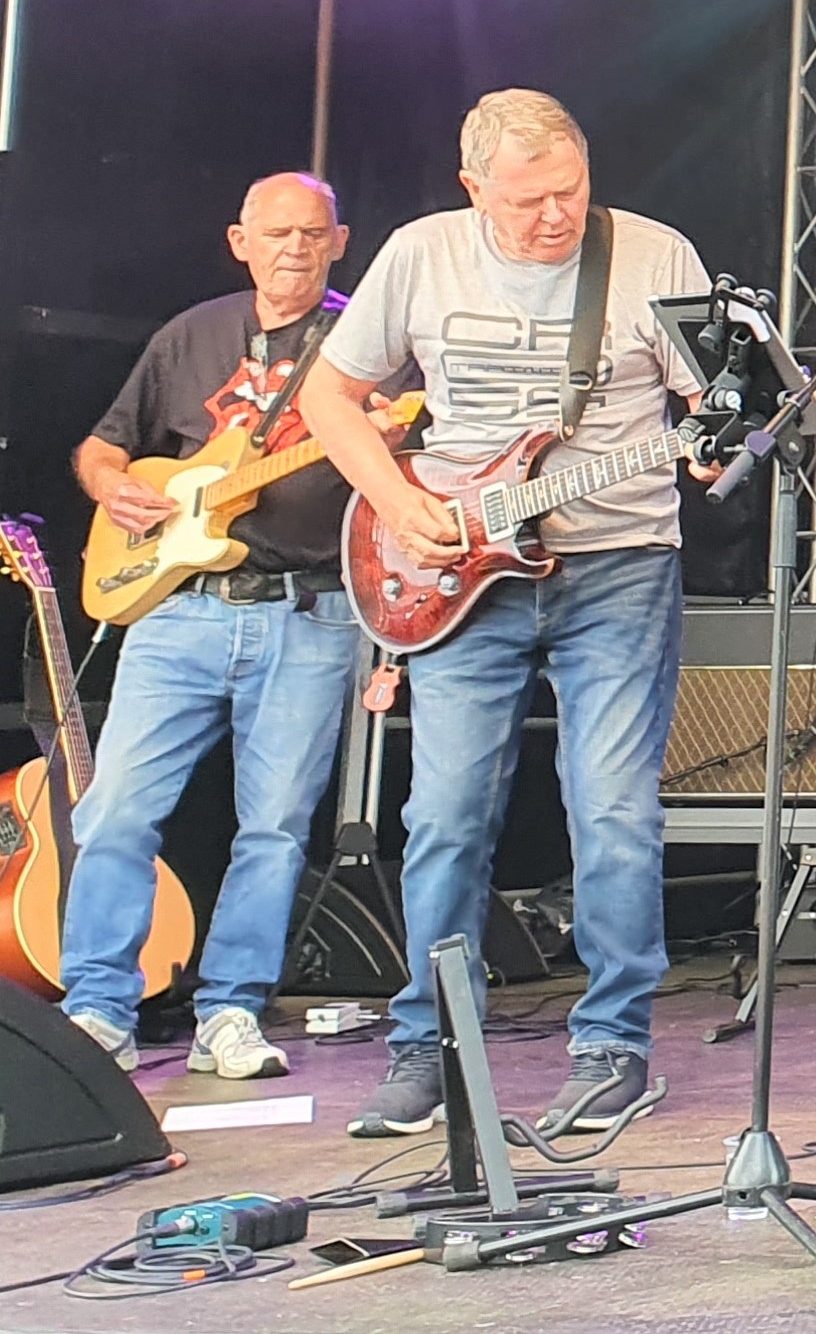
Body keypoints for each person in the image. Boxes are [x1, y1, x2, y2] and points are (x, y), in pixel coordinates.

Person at [307, 92, 714, 1139]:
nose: (555, 215)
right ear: (472, 187)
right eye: (528, 200)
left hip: (619, 562)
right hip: (456, 566)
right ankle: (428, 1045)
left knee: (613, 808)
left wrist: (722, 446)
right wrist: (399, 503)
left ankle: (613, 1045)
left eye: (570, 190)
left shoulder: (654, 254)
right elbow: (327, 398)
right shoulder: (421, 253)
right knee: (444, 815)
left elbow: (716, 408)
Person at [58, 175, 384, 1080]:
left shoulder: (368, 346)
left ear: (340, 241)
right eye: (276, 233)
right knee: (116, 809)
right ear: (240, 240)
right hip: (175, 610)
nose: (294, 249)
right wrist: (110, 487)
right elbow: (103, 444)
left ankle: (231, 1012)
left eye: (312, 233)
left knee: (274, 827)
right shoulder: (190, 334)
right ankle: (96, 1009)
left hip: (308, 610)